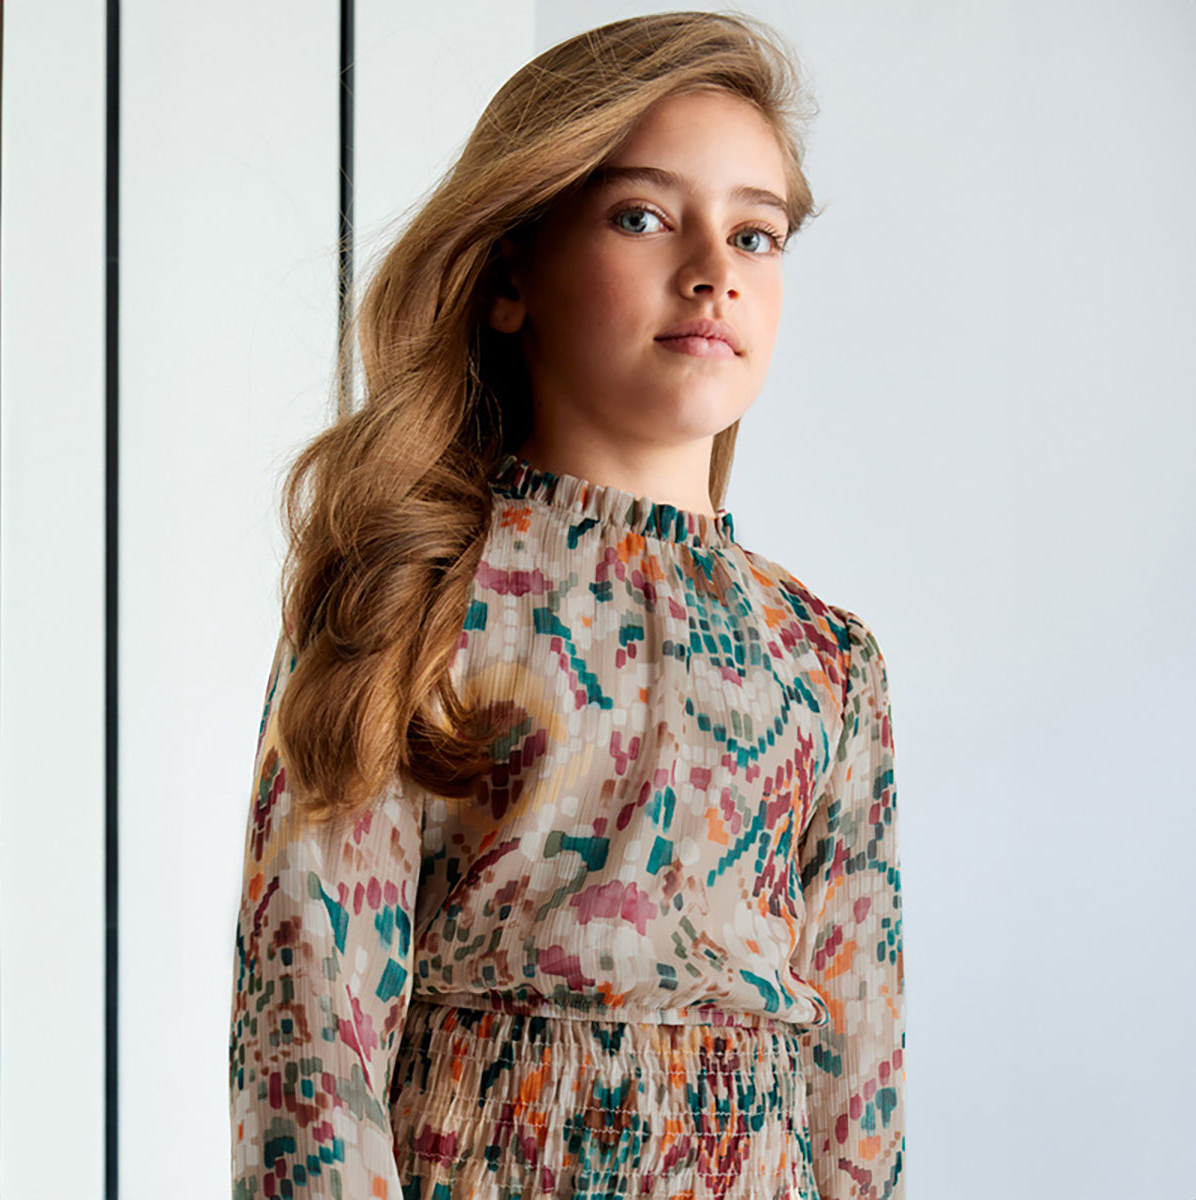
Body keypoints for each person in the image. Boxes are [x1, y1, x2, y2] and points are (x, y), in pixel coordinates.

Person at [229, 11, 905, 1199]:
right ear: (509, 277)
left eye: (756, 233)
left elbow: (861, 1095)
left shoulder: (828, 660)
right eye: (642, 216)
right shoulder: (417, 594)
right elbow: (308, 1037)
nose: (714, 269)